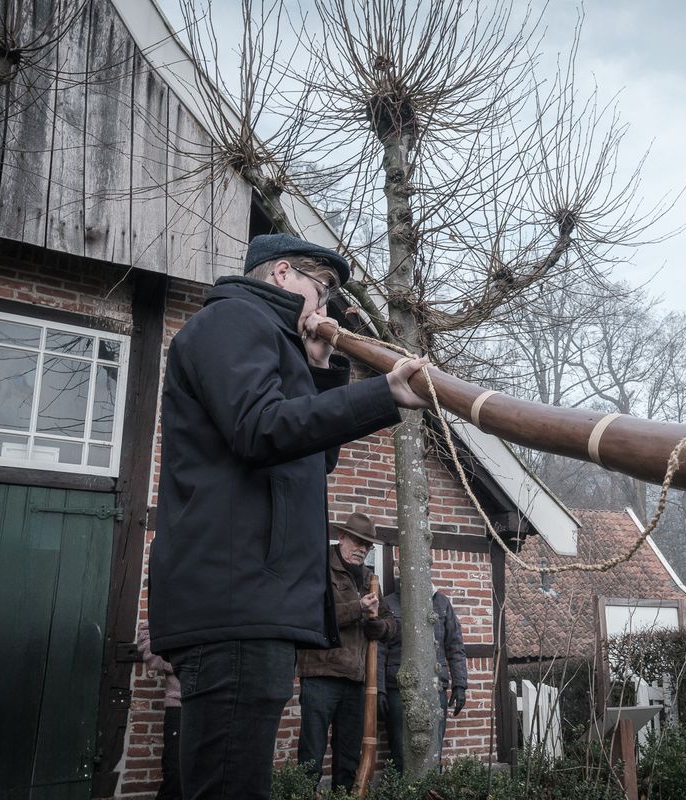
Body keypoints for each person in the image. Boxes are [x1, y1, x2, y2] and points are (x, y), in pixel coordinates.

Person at [148, 233, 429, 800]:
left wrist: (322, 369)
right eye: (321, 289)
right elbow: (258, 430)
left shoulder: (274, 343)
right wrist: (381, 395)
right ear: (280, 275)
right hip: (235, 599)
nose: (325, 308)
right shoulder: (232, 321)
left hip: (256, 603)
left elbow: (314, 458)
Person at [296, 512, 398, 793]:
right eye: (356, 541)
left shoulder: (369, 579)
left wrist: (380, 626)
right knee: (311, 754)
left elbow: (392, 623)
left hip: (356, 681)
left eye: (367, 545)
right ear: (341, 537)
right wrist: (358, 609)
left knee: (348, 758)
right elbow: (310, 615)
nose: (362, 549)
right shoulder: (319, 568)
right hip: (320, 674)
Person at [377, 584, 468, 772]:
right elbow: (379, 650)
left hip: (436, 687)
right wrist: (380, 689)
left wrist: (460, 685)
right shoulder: (388, 604)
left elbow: (455, 646)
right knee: (400, 752)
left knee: (434, 751)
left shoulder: (442, 604)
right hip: (398, 688)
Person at [137, 616, 182, 800]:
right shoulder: (180, 595)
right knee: (176, 778)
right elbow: (146, 634)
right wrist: (181, 664)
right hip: (181, 705)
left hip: (219, 703)